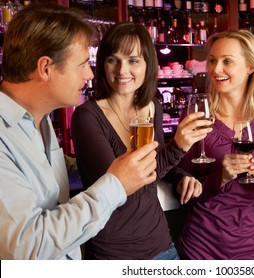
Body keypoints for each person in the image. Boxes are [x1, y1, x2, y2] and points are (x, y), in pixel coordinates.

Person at [0, 3, 159, 260]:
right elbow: (26, 246)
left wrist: (93, 166)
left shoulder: (37, 119)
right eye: (83, 64)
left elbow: (39, 169)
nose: (89, 73)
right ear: (46, 68)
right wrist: (116, 183)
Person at [71, 22, 212, 259]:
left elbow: (156, 164)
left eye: (133, 60)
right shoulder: (87, 117)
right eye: (112, 60)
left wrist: (179, 177)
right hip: (114, 254)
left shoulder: (152, 107)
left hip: (162, 245)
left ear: (148, 64)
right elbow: (121, 189)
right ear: (102, 63)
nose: (122, 70)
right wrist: (178, 147)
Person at [167, 30, 254, 259]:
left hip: (253, 242)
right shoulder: (194, 114)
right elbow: (178, 172)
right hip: (201, 242)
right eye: (212, 60)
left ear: (251, 66)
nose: (216, 69)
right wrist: (219, 177)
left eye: (227, 62)